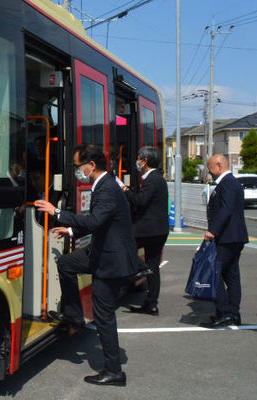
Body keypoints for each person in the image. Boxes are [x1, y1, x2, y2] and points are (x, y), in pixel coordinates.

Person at [35, 144, 139, 387]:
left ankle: (114, 371)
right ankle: (75, 316)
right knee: (67, 263)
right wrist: (70, 229)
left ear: (90, 166)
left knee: (104, 316)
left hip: (110, 261)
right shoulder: (105, 185)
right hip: (101, 252)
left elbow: (95, 221)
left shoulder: (106, 189)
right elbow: (100, 223)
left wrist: (57, 212)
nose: (75, 171)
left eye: (76, 166)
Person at [202, 154, 248, 327]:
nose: (209, 171)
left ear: (219, 165)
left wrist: (212, 231)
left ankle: (224, 312)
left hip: (227, 237)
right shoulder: (232, 182)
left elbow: (226, 209)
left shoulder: (227, 183)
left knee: (214, 272)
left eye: (210, 167)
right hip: (235, 236)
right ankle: (233, 313)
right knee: (231, 274)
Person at [122, 146, 169, 316]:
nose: (137, 161)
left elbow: (140, 201)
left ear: (145, 161)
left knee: (124, 246)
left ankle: (141, 268)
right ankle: (152, 304)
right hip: (160, 230)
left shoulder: (151, 179)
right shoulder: (159, 178)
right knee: (154, 265)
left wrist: (125, 191)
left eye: (139, 158)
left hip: (147, 229)